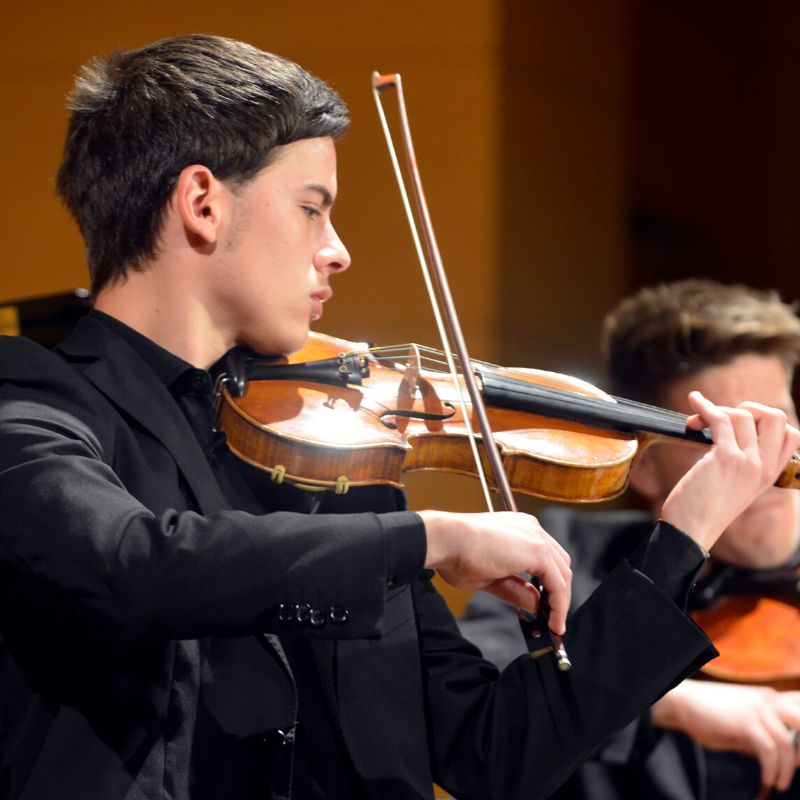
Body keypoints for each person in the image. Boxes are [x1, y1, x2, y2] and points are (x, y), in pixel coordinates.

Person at [0, 36, 796, 800]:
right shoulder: (34, 401)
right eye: (314, 209)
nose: (338, 250)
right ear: (203, 203)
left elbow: (499, 756)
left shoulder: (338, 465)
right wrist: (434, 538)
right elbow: (133, 567)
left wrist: (677, 545)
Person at [460, 279, 800, 799]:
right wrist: (665, 703)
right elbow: (484, 710)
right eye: (721, 441)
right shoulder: (565, 552)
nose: (765, 465)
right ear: (643, 469)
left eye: (777, 426)